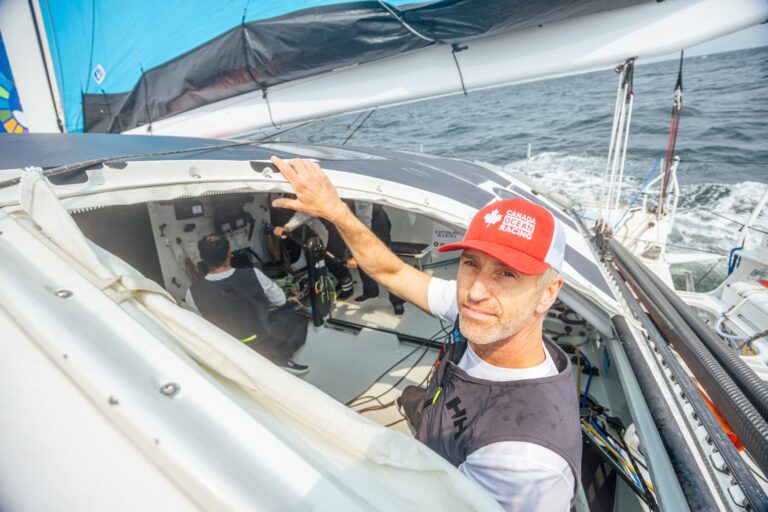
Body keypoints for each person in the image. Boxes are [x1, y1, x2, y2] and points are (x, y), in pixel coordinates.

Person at [269, 156, 581, 511]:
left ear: (548, 292)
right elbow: (393, 273)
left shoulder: (522, 462)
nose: (475, 292)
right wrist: (336, 211)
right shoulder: (483, 314)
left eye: (507, 274)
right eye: (471, 264)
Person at [185, 233, 309, 375]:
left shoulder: (192, 293)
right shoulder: (254, 274)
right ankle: (280, 357)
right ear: (229, 253)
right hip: (262, 341)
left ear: (201, 257)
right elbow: (280, 300)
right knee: (298, 319)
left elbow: (199, 326)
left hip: (230, 350)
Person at [351, 201, 407, 315]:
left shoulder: (359, 192)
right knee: (363, 262)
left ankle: (397, 300)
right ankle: (370, 292)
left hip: (376, 224)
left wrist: (358, 249)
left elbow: (364, 219)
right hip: (360, 224)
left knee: (386, 265)